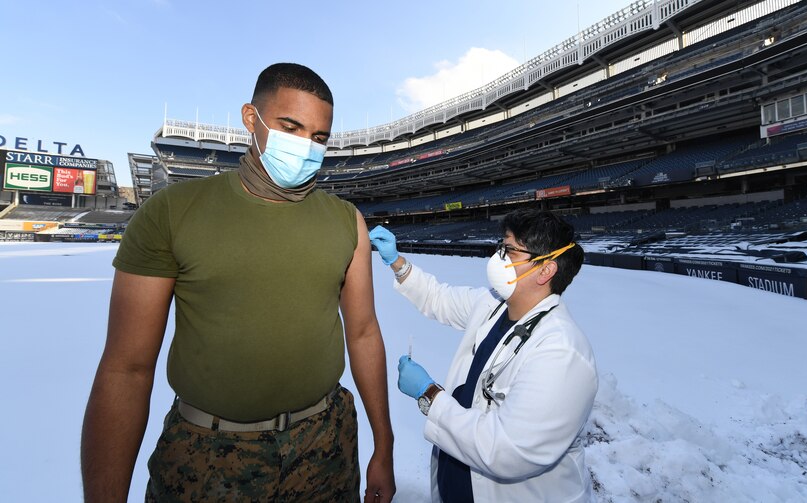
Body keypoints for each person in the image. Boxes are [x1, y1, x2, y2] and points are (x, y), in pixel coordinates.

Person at [81, 63, 396, 502]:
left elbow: (363, 333)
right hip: (207, 457)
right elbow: (126, 370)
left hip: (327, 447)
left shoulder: (347, 222)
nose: (305, 146)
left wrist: (385, 445)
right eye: (290, 127)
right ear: (251, 118)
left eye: (319, 137)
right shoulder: (173, 212)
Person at [369, 209, 597, 502]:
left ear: (545, 270)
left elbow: (506, 450)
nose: (498, 258)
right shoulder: (493, 305)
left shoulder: (562, 353)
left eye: (510, 251)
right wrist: (397, 262)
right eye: (501, 247)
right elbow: (439, 297)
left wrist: (429, 395)